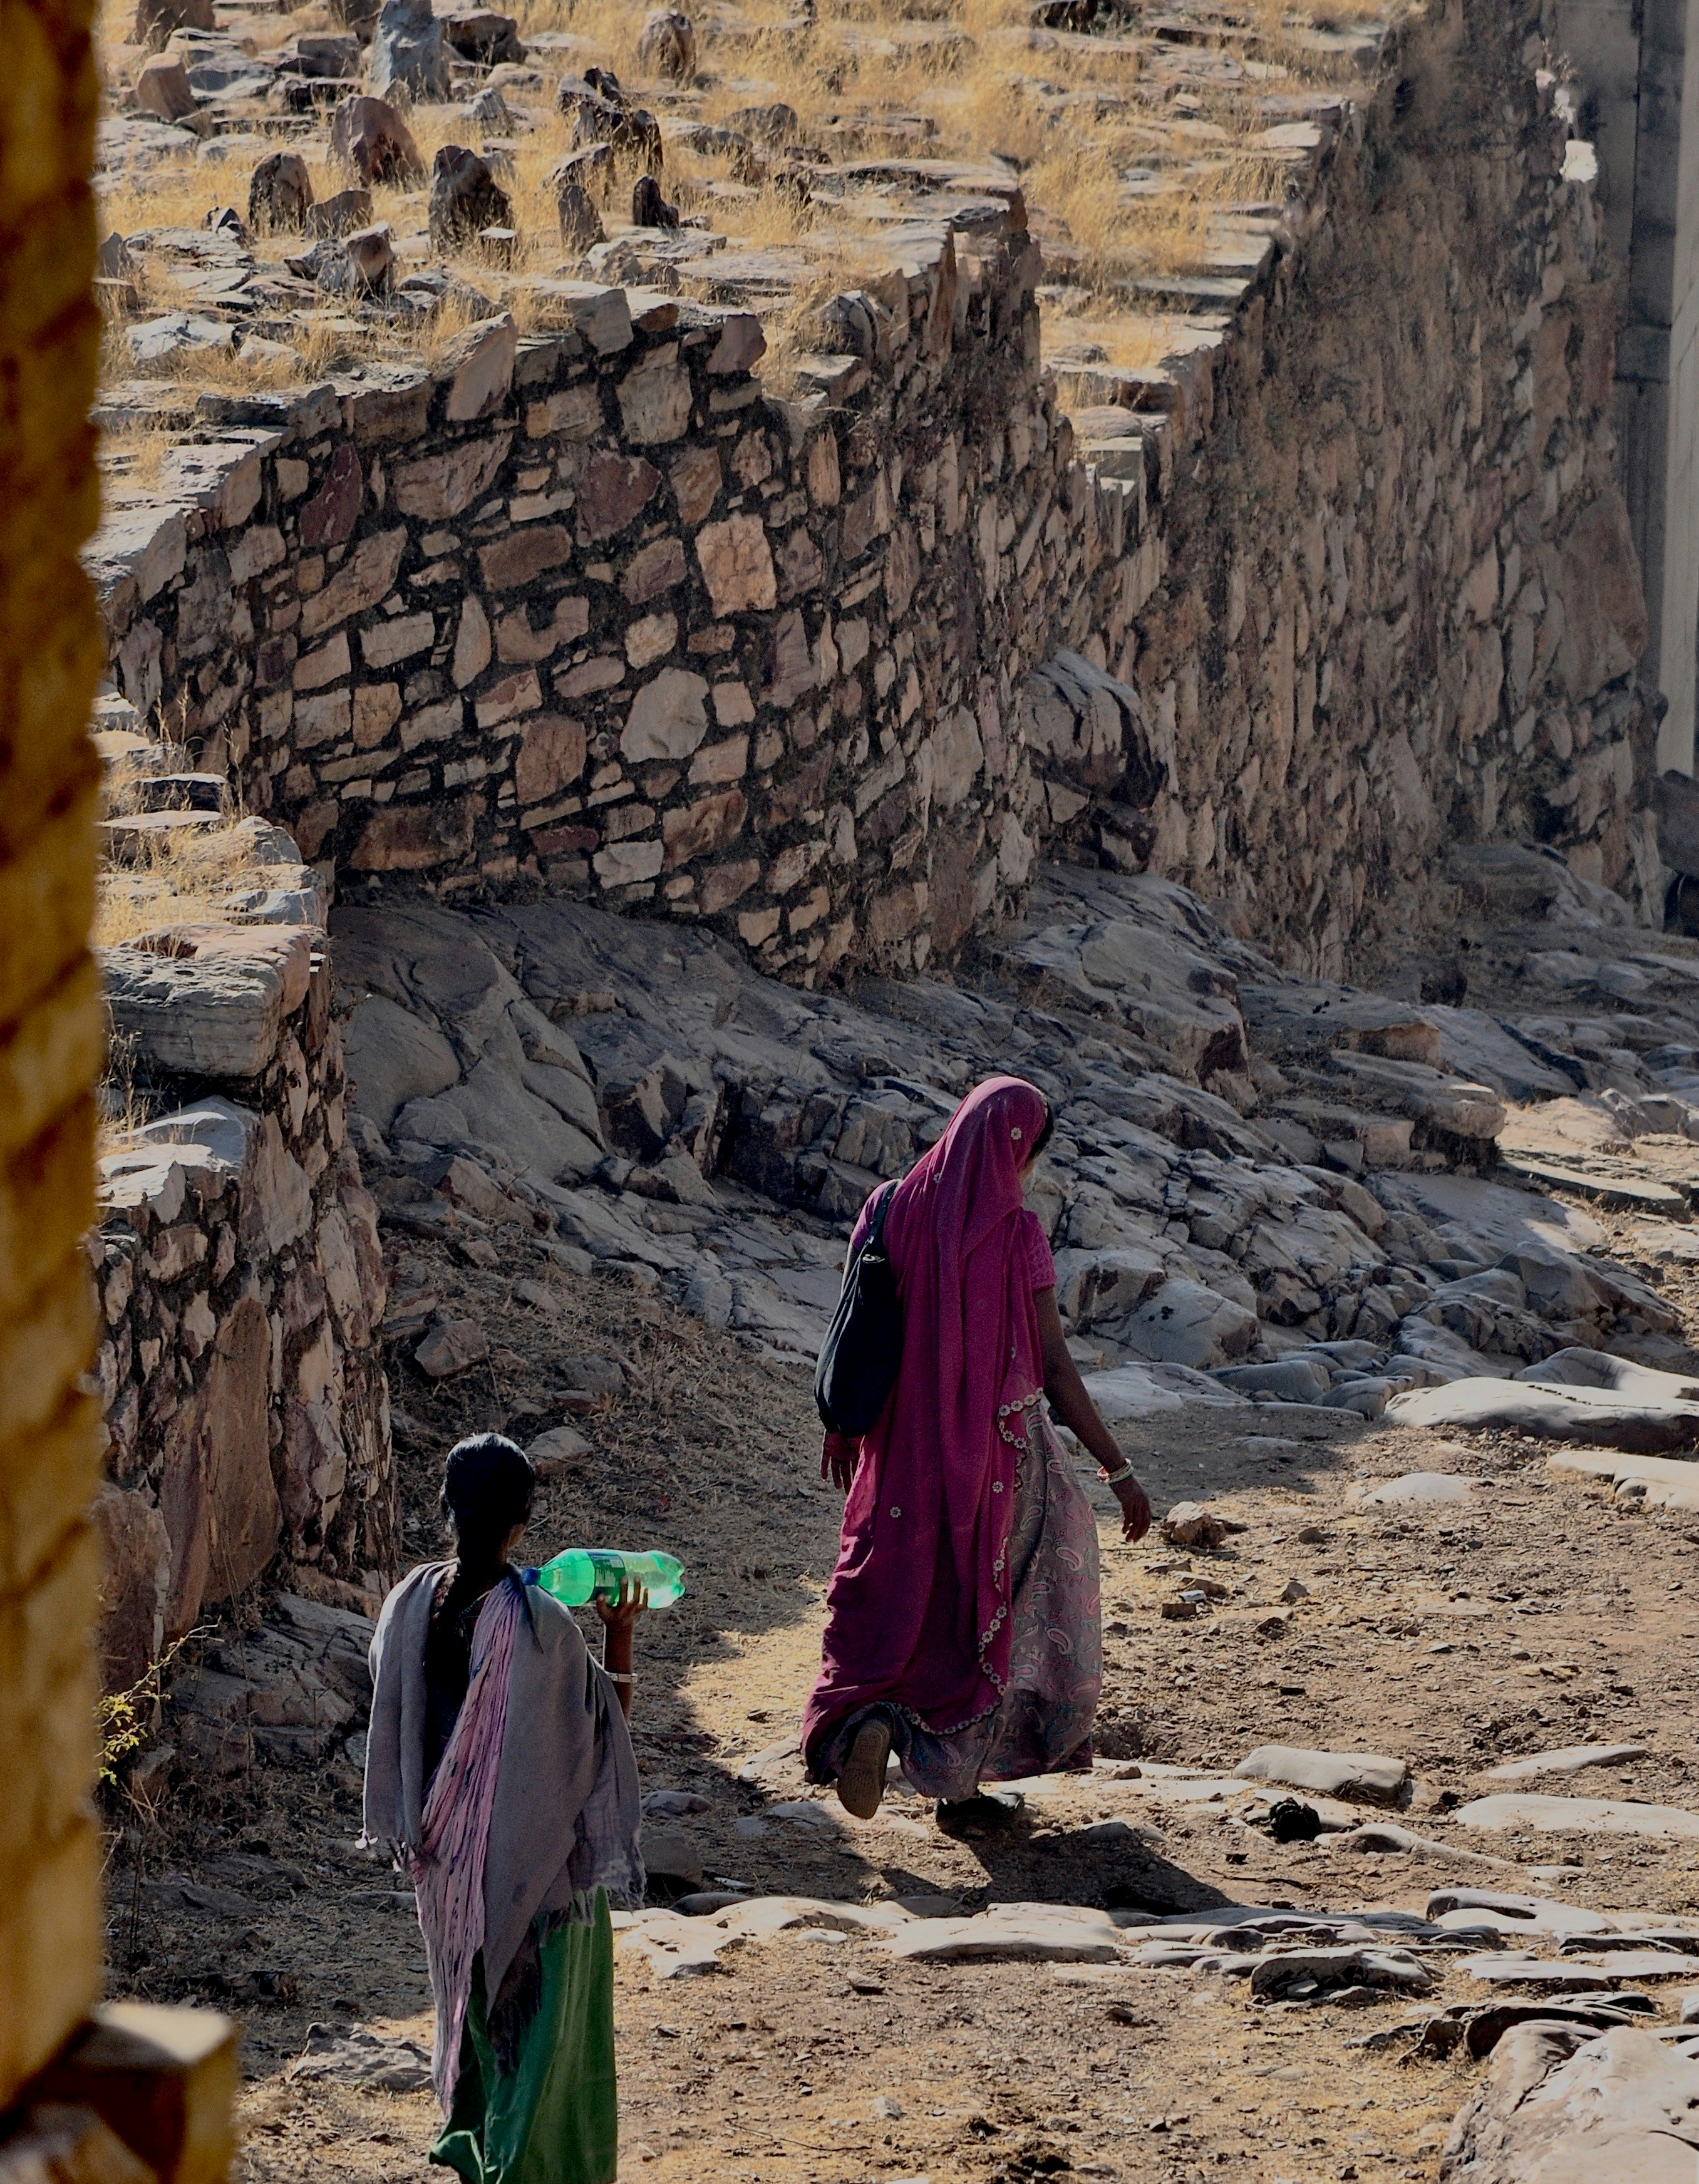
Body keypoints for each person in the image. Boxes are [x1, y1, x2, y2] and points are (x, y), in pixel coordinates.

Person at [802, 1075, 1152, 1825]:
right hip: (1000, 1455)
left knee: (902, 1590)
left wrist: (842, 1425)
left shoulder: (887, 1205)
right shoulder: (1017, 1232)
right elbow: (1055, 1366)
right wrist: (1116, 1469)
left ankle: (873, 1722)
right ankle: (961, 1782)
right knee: (1010, 1597)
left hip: (897, 1446)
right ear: (1017, 1149)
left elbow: (855, 1328)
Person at [364, 1434, 646, 2184]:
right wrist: (620, 1634)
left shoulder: (406, 1604)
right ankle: (526, 2168)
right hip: (533, 1874)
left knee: (474, 2011)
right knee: (544, 2044)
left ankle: (472, 2146)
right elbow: (598, 1735)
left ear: (445, 1507)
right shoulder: (540, 1624)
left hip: (446, 1867)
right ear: (523, 1520)